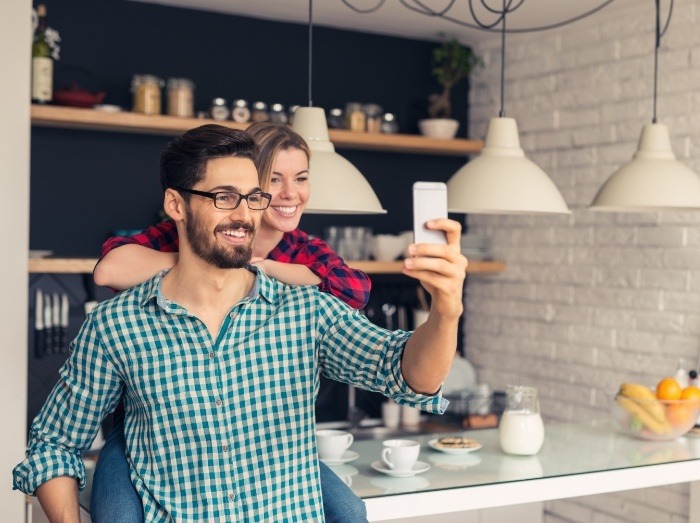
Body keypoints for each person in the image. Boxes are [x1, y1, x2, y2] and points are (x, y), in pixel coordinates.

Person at [13, 124, 468, 521]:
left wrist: (446, 310)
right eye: (223, 197)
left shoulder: (306, 311)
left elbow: (410, 374)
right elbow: (53, 445)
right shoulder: (118, 327)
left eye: (252, 197)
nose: (244, 214)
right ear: (176, 204)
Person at [91, 122, 370, 522]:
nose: (289, 193)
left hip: (258, 432)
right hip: (155, 425)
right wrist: (204, 261)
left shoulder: (301, 248)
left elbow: (354, 290)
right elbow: (110, 269)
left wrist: (261, 268)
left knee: (349, 511)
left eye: (301, 178)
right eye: (274, 179)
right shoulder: (189, 229)